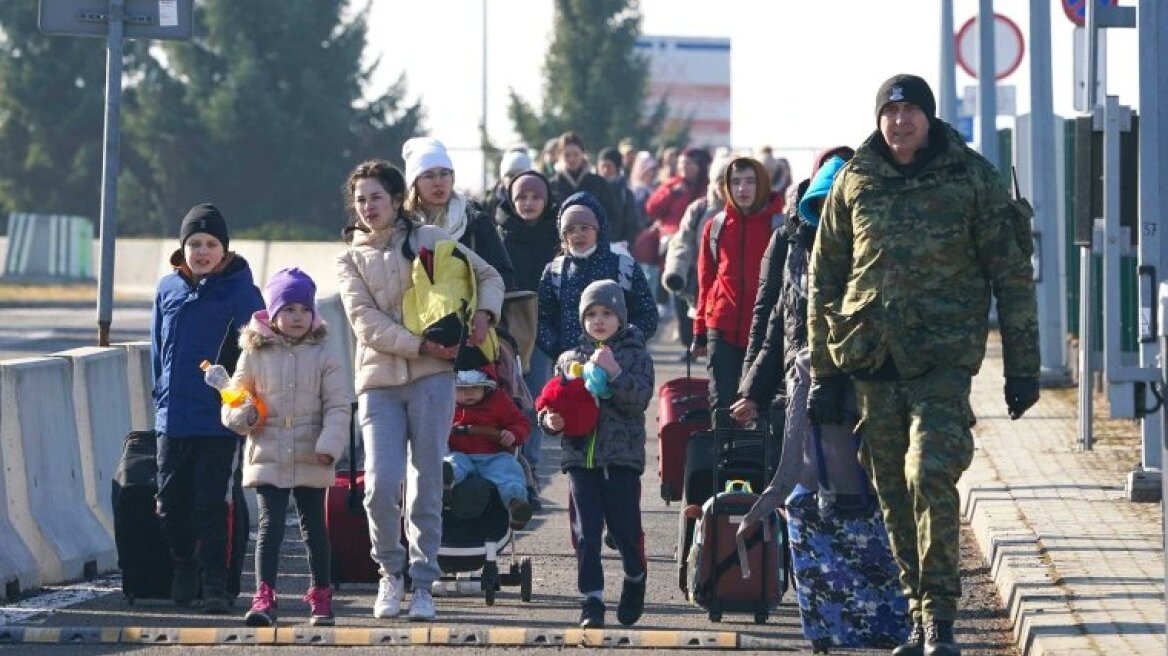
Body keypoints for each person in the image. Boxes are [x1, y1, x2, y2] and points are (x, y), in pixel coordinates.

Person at [807, 74, 1040, 656]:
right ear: (879, 119)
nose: (901, 120)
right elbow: (825, 278)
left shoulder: (972, 177)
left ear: (930, 118)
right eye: (892, 111)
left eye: (912, 110)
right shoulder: (855, 179)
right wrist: (823, 374)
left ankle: (941, 619)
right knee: (892, 493)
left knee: (928, 474)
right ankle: (918, 614)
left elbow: (1010, 273)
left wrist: (1023, 367)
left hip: (941, 361)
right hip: (871, 360)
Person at [337, 159, 505, 622]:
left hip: (433, 378)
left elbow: (490, 277)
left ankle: (424, 581)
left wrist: (483, 317)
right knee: (380, 485)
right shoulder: (348, 258)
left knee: (425, 482)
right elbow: (364, 323)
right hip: (378, 381)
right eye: (361, 200)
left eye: (377, 197)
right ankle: (390, 574)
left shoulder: (429, 239)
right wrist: (420, 344)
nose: (369, 206)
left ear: (396, 200)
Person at [223, 267, 353, 627]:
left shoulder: (324, 352)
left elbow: (338, 405)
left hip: (313, 451)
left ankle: (321, 593)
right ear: (273, 313)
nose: (297, 317)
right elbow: (234, 399)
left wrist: (330, 444)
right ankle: (264, 594)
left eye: (303, 309)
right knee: (270, 526)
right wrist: (242, 416)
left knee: (315, 527)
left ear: (313, 314)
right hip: (268, 449)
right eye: (288, 309)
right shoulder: (253, 352)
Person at [151, 203, 265, 614]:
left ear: (224, 250)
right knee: (169, 502)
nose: (202, 251)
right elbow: (157, 348)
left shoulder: (242, 293)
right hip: (173, 417)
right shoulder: (168, 289)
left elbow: (257, 357)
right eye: (194, 243)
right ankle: (184, 564)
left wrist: (241, 403)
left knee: (211, 505)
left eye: (211, 244)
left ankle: (216, 583)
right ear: (183, 248)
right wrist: (160, 395)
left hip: (219, 420)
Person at [537, 280, 654, 628]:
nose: (599, 320)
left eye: (606, 313)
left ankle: (635, 578)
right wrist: (550, 422)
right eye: (591, 314)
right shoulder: (569, 359)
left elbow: (638, 401)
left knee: (625, 532)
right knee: (586, 533)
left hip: (621, 459)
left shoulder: (634, 354)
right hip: (580, 460)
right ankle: (593, 600)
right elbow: (549, 402)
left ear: (620, 317)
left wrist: (614, 372)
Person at [691, 157, 784, 410]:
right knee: (721, 404)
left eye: (750, 182)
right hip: (722, 328)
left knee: (762, 406)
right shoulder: (716, 226)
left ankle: (757, 452)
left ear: (763, 184)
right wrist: (699, 330)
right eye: (735, 182)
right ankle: (721, 451)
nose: (742, 189)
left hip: (767, 332)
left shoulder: (780, 226)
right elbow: (706, 281)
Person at [495, 170, 561, 508]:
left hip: (544, 332)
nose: (529, 203)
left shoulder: (558, 235)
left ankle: (530, 474)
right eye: (521, 197)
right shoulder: (499, 234)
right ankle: (506, 474)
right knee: (505, 403)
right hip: (507, 332)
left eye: (536, 197)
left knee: (536, 401)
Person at [536, 191, 658, 361]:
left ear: (599, 229)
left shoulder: (624, 266)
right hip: (570, 365)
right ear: (563, 236)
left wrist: (625, 344)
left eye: (585, 228)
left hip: (619, 365)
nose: (578, 234)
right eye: (570, 230)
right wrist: (559, 348)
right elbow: (541, 318)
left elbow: (647, 314)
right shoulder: (555, 271)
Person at [402, 136, 516, 291]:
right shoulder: (403, 227)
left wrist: (483, 310)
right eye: (428, 175)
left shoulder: (475, 222)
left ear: (452, 177)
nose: (438, 182)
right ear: (414, 183)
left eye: (444, 173)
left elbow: (503, 276)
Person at [443, 369, 533, 527]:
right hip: (459, 453)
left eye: (476, 388)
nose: (469, 394)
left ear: (486, 388)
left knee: (509, 468)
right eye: (462, 389)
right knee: (452, 462)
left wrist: (512, 433)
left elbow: (521, 423)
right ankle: (445, 482)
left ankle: (516, 503)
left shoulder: (498, 401)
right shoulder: (446, 404)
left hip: (493, 456)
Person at [662, 152, 732, 353]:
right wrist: (676, 272)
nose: (724, 188)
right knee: (693, 327)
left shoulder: (746, 212)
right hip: (700, 280)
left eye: (729, 181)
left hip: (729, 281)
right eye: (720, 181)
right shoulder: (699, 209)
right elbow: (682, 242)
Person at [550, 131, 618, 226]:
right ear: (560, 156)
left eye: (576, 154)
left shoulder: (598, 182)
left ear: (583, 154)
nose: (571, 159)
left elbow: (611, 215)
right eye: (567, 155)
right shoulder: (553, 185)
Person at [596, 146, 645, 250]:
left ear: (617, 168)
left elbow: (632, 225)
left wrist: (625, 247)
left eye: (609, 166)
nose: (605, 170)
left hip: (618, 249)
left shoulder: (625, 194)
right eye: (602, 166)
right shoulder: (592, 190)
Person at [483, 145, 533, 217]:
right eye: (511, 175)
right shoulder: (489, 203)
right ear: (502, 178)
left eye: (521, 175)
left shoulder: (538, 201)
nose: (516, 179)